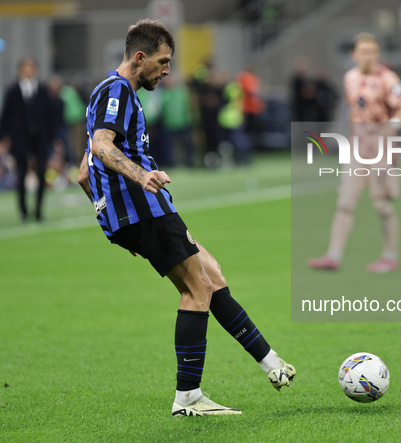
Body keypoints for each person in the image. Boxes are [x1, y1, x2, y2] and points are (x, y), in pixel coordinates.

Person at [77, 19, 295, 417]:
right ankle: (189, 397)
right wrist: (142, 180)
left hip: (140, 214)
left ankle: (272, 363)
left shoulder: (103, 93)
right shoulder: (118, 91)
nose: (166, 71)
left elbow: (83, 171)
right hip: (147, 208)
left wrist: (115, 222)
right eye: (162, 62)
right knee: (198, 290)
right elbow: (101, 147)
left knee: (212, 274)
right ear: (139, 57)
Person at [307, 33, 401, 273]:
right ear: (354, 54)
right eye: (364, 51)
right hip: (357, 149)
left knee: (382, 205)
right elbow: (353, 111)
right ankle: (333, 255)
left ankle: (389, 255)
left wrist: (391, 128)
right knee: (344, 202)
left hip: (381, 149)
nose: (369, 56)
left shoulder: (388, 78)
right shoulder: (350, 78)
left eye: (373, 51)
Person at [0, 58, 54, 222]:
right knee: (21, 174)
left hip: (40, 139)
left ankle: (38, 210)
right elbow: (6, 117)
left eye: (32, 67)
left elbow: (49, 116)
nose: (30, 70)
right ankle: (23, 211)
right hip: (20, 140)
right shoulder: (12, 91)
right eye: (26, 67)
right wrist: (3, 139)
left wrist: (51, 138)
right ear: (21, 70)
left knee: (41, 173)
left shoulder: (42, 90)